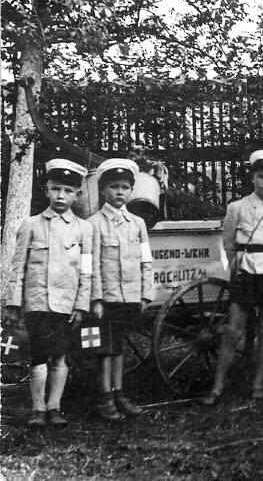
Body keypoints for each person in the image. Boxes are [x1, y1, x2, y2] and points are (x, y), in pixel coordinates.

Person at [200, 151, 263, 405]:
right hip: (245, 270)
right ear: (253, 178)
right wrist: (235, 264)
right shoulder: (236, 207)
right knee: (232, 330)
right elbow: (228, 241)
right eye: (261, 176)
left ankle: (258, 384)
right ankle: (218, 386)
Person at [6, 158, 92, 427]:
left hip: (66, 304)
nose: (61, 196)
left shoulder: (84, 229)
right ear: (46, 190)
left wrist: (81, 304)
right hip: (37, 301)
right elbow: (17, 267)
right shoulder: (30, 225)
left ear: (77, 194)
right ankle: (38, 409)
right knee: (39, 355)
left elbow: (87, 271)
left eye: (68, 191)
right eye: (56, 189)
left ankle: (54, 407)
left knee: (60, 355)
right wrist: (13, 302)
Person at [89, 158, 154, 421]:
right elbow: (90, 265)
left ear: (131, 191)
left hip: (128, 296)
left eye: (125, 187)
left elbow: (146, 260)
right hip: (106, 299)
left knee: (120, 348)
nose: (119, 192)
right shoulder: (93, 224)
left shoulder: (137, 224)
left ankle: (119, 393)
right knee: (104, 349)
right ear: (103, 190)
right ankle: (104, 398)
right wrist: (95, 298)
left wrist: (146, 292)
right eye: (114, 187)